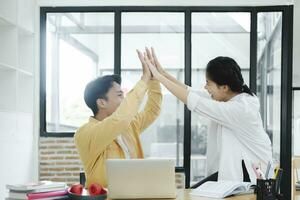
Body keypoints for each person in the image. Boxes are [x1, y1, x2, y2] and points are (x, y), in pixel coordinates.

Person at [140, 47, 272, 185]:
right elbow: (191, 93)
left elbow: (194, 101)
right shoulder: (226, 98)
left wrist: (159, 77)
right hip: (236, 173)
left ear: (224, 87)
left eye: (208, 83)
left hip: (253, 179)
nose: (205, 87)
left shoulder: (240, 108)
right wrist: (162, 73)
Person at [74, 52, 162, 188]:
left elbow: (152, 110)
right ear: (101, 103)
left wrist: (153, 79)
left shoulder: (130, 125)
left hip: (136, 194)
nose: (124, 100)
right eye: (120, 95)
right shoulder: (84, 134)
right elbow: (119, 120)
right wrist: (143, 80)